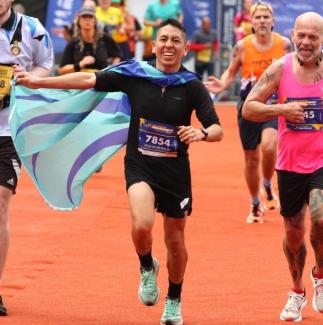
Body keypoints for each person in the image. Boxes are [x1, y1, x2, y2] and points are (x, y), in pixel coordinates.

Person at [15, 18, 223, 325]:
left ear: (185, 47)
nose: (169, 45)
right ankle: (146, 267)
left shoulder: (191, 86)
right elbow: (87, 80)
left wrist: (201, 134)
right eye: (163, 39)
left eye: (175, 40)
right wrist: (38, 82)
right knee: (142, 225)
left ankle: (174, 300)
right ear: (154, 45)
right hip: (139, 165)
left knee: (175, 240)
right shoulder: (135, 74)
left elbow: (217, 128)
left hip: (175, 171)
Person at [242, 11, 323, 322]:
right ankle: (297, 291)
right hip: (290, 164)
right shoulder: (280, 68)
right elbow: (249, 107)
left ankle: (320, 275)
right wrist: (282, 109)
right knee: (293, 232)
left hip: (321, 162)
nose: (306, 42)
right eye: (301, 35)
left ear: (321, 39)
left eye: (313, 37)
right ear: (292, 35)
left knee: (320, 219)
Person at [204, 1, 292, 223]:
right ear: (251, 22)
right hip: (248, 106)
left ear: (273, 21)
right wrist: (222, 84)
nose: (262, 20)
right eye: (258, 17)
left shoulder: (284, 45)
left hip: (272, 104)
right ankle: (255, 203)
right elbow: (231, 71)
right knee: (251, 158)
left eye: (266, 16)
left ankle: (267, 184)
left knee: (271, 145)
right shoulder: (242, 46)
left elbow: (294, 70)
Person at [0, 0, 54, 315]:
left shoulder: (32, 29)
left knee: (1, 205)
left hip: (9, 132)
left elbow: (46, 63)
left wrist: (30, 76)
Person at [58, 6, 121, 75]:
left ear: (95, 21)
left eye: (90, 17)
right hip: (80, 81)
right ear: (79, 21)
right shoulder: (73, 43)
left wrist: (111, 70)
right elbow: (61, 70)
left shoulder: (104, 38)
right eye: (84, 17)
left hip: (101, 80)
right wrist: (80, 64)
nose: (87, 20)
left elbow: (117, 55)